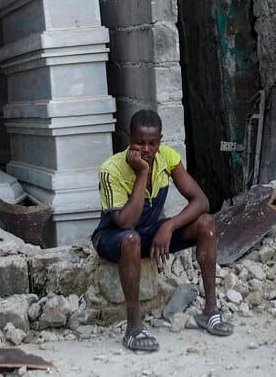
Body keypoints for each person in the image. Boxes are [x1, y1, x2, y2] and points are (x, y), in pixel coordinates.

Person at [92, 109, 233, 352]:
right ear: (129, 140)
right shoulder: (110, 169)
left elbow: (201, 201)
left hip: (147, 232)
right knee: (131, 238)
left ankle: (211, 310)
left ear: (160, 141)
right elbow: (126, 222)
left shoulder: (167, 157)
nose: (146, 149)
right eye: (139, 142)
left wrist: (168, 226)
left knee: (206, 223)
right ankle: (134, 328)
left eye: (152, 143)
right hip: (113, 236)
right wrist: (142, 173)